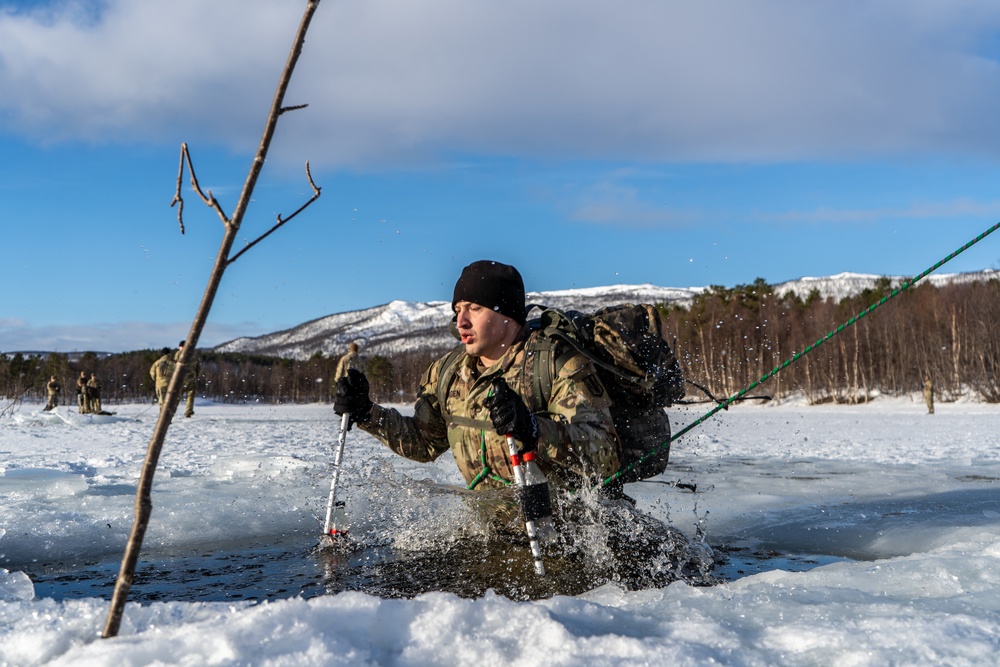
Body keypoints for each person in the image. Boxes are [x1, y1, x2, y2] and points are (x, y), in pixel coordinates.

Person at [334, 260, 621, 531]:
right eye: (457, 310)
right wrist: (367, 413)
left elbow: (605, 454)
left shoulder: (556, 364)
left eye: (474, 308)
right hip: (495, 535)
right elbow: (424, 443)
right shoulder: (448, 372)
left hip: (567, 538)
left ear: (506, 314)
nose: (461, 321)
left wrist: (535, 430)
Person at [176, 340, 200, 418]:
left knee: (176, 396)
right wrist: (196, 376)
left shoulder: (179, 354)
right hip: (191, 378)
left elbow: (175, 366)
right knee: (190, 396)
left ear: (181, 347)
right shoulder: (194, 355)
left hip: (181, 378)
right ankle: (188, 411)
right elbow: (198, 368)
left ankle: (172, 410)